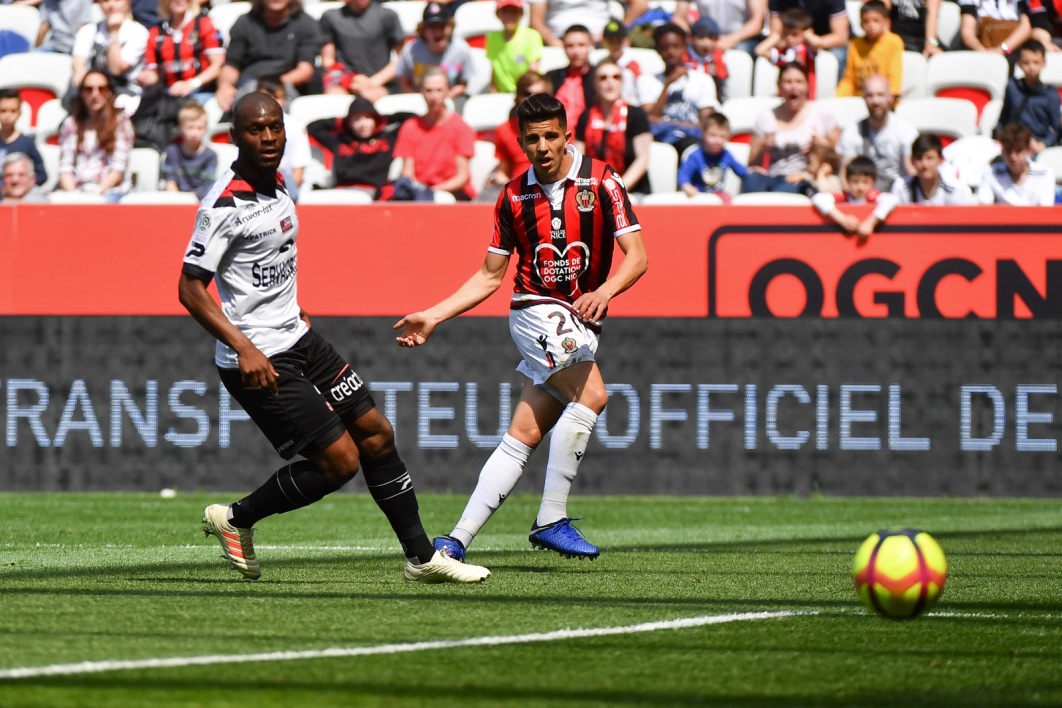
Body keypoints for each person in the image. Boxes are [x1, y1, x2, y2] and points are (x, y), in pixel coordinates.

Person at [180, 92, 490, 585]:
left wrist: (290, 304)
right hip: (259, 357)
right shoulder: (223, 205)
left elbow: (263, 265)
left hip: (299, 337)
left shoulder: (280, 183)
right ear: (235, 136)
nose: (268, 137)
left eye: (275, 128)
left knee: (377, 433)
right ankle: (235, 519)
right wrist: (244, 347)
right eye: (256, 129)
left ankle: (422, 558)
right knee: (341, 462)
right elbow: (190, 288)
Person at [393, 93, 648, 563]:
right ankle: (551, 518)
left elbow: (638, 257)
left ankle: (455, 541)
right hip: (535, 310)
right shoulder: (513, 196)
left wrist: (606, 291)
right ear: (521, 143)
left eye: (551, 136)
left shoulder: (602, 180)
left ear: (567, 135)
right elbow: (490, 275)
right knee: (592, 396)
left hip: (581, 321)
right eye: (533, 139)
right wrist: (434, 314)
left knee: (523, 436)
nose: (543, 146)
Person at [744, 62, 839, 193]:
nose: (793, 87)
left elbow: (840, 158)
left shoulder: (822, 113)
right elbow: (752, 164)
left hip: (805, 179)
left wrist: (822, 144)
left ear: (807, 85)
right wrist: (763, 147)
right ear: (779, 85)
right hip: (774, 177)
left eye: (799, 82)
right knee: (751, 180)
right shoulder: (766, 117)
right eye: (788, 82)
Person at [214, 0, 323, 113]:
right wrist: (225, 85)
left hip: (287, 85)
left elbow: (305, 70)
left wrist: (269, 87)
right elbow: (231, 64)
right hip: (250, 83)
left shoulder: (306, 23)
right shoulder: (245, 22)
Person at [393, 69, 477, 200]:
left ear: (448, 91)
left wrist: (432, 191)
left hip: (454, 194)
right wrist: (420, 191)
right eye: (428, 90)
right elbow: (407, 172)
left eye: (439, 90)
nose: (434, 96)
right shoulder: (410, 126)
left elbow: (462, 176)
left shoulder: (461, 127)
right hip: (419, 193)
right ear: (421, 92)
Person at [637, 22, 719, 155]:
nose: (670, 52)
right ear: (658, 50)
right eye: (665, 48)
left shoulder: (703, 80)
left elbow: (705, 123)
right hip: (660, 140)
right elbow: (650, 117)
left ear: (685, 47)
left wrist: (671, 124)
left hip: (692, 141)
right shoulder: (646, 80)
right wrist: (668, 84)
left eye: (676, 46)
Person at [575, 58, 652, 195]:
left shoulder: (636, 115)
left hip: (632, 192)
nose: (609, 82)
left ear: (622, 82)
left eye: (616, 77)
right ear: (595, 84)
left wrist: (617, 189)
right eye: (603, 78)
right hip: (595, 191)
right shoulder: (585, 117)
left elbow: (642, 159)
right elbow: (579, 160)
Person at [57, 70, 135, 200]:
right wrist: (73, 197)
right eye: (89, 89)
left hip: (110, 192)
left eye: (102, 89)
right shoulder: (71, 124)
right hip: (77, 192)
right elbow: (65, 169)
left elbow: (117, 170)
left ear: (109, 92)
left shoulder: (121, 124)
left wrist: (95, 196)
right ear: (81, 93)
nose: (95, 94)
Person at [836, 74, 917, 191]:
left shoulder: (905, 131)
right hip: (862, 195)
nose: (875, 101)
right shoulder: (852, 131)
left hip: (897, 194)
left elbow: (911, 171)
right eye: (870, 95)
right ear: (863, 98)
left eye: (880, 95)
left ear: (890, 97)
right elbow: (844, 176)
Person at [306, 94, 399, 196]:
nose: (363, 124)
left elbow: (409, 118)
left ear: (375, 119)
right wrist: (340, 121)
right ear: (348, 123)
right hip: (343, 191)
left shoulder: (388, 138)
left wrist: (384, 118)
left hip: (375, 191)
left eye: (368, 117)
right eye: (357, 119)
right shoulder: (340, 140)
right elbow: (312, 127)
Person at [481, 71, 552, 200]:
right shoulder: (504, 129)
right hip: (518, 193)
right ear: (517, 96)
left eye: (538, 95)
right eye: (526, 94)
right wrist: (499, 179)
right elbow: (503, 171)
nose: (531, 100)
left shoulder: (559, 128)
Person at [70, 0, 149, 114]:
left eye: (117, 0)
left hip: (124, 94)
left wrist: (114, 33)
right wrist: (79, 70)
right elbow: (78, 61)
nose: (112, 5)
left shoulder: (138, 32)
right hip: (94, 91)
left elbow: (116, 69)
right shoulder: (88, 30)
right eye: (106, 1)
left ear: (127, 2)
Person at [138, 0, 224, 103]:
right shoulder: (155, 32)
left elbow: (218, 64)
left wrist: (192, 84)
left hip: (201, 91)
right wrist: (147, 77)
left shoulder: (205, 24)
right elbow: (154, 73)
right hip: (169, 94)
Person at [319, 0, 406, 104]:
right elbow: (328, 60)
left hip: (381, 84)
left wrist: (372, 82)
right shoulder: (330, 17)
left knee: (365, 98)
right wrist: (347, 80)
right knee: (333, 99)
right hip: (343, 84)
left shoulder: (388, 15)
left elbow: (403, 58)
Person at [396, 2, 476, 100]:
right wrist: (423, 99)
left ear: (450, 27)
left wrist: (443, 99)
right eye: (432, 27)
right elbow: (404, 82)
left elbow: (463, 83)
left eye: (442, 26)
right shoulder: (411, 50)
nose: (437, 31)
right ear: (423, 30)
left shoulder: (461, 49)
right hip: (419, 101)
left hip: (451, 100)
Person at [811, 155, 899, 242]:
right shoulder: (843, 197)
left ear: (873, 182)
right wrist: (842, 219)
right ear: (847, 181)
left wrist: (870, 223)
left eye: (865, 182)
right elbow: (818, 198)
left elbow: (892, 200)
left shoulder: (873, 197)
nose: (860, 187)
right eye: (855, 182)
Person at [997, 39, 1060, 150]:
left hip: (1037, 143)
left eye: (1036, 62)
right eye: (1026, 62)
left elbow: (1056, 128)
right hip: (1013, 142)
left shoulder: (1050, 93)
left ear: (1043, 63)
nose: (1031, 67)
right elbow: (1003, 119)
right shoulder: (1013, 87)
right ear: (1019, 63)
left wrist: (1044, 144)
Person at [256, 75, 311, 201]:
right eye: (266, 98)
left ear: (285, 99)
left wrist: (283, 197)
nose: (271, 102)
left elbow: (298, 171)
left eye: (277, 97)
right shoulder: (249, 127)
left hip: (289, 189)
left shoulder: (295, 127)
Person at [835, 0, 904, 98]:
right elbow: (849, 79)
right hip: (859, 99)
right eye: (866, 21)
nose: (871, 25)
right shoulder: (855, 44)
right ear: (861, 24)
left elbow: (895, 77)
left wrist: (891, 96)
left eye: (876, 20)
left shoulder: (893, 42)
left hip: (883, 99)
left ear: (886, 22)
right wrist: (838, 98)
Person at [977, 122, 1056, 204]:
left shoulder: (1045, 174)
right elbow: (984, 206)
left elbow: (1046, 209)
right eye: (1008, 151)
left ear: (1029, 150)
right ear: (1002, 151)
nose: (1013, 157)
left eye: (1018, 151)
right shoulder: (991, 173)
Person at [761, 0, 850, 72]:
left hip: (824, 42)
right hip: (793, 42)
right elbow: (776, 35)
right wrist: (792, 42)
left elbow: (841, 38)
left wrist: (815, 42)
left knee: (838, 56)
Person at [678, 111, 747, 200]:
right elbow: (684, 174)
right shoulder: (695, 156)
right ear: (703, 134)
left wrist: (753, 171)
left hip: (718, 197)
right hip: (698, 196)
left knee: (728, 198)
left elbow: (741, 170)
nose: (717, 141)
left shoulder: (726, 155)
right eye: (713, 135)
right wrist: (687, 186)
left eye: (722, 136)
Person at [890, 133, 975, 204]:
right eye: (919, 158)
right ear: (912, 161)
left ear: (941, 159)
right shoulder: (901, 188)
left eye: (930, 158)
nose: (924, 164)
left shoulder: (956, 190)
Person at [162, 101, 218, 199]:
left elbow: (207, 184)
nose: (195, 133)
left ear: (206, 129)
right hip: (176, 200)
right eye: (190, 127)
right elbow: (169, 179)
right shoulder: (172, 152)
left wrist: (191, 199)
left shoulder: (210, 155)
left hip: (200, 201)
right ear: (180, 127)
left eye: (200, 128)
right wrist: (174, 195)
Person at [528, 0, 647, 47]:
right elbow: (536, 20)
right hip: (558, 42)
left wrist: (618, 31)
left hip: (601, 43)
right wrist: (553, 41)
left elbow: (640, 3)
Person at [755, 8, 817, 96]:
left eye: (795, 34)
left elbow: (816, 43)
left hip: (805, 98)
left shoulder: (808, 50)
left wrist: (809, 35)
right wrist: (776, 36)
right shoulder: (782, 52)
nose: (789, 38)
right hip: (784, 98)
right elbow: (759, 51)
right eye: (786, 33)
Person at [485, 0, 543, 93]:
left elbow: (533, 72)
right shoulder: (492, 37)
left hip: (524, 93)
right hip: (502, 94)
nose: (509, 15)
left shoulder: (532, 36)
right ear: (497, 14)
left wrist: (524, 95)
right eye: (505, 11)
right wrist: (493, 94)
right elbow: (494, 70)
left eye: (514, 11)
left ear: (521, 14)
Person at [545, 24, 596, 130]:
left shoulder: (600, 77)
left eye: (581, 45)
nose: (576, 51)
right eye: (570, 46)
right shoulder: (552, 77)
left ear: (591, 45)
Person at [673, 0, 768, 54]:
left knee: (741, 51)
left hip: (741, 39)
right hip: (705, 38)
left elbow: (757, 22)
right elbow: (679, 18)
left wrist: (731, 39)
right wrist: (694, 38)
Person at [0, 89, 47, 186]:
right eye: (3, 111)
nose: (8, 116)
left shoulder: (27, 143)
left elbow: (41, 175)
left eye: (13, 111)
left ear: (19, 113)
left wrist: (23, 187)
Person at [958, 0, 1033, 54]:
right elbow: (967, 32)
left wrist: (1001, 49)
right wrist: (981, 50)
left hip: (1011, 52)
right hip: (982, 51)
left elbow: (1025, 27)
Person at [686, 17, 730, 104]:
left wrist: (715, 67)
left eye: (711, 38)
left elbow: (722, 77)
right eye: (701, 37)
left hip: (712, 98)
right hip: (689, 97)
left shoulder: (717, 56)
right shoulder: (685, 57)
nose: (706, 42)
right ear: (691, 39)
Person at [600, 19, 641, 105]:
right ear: (604, 42)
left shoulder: (632, 65)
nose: (614, 45)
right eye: (610, 41)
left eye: (618, 40)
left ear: (627, 41)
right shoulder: (601, 64)